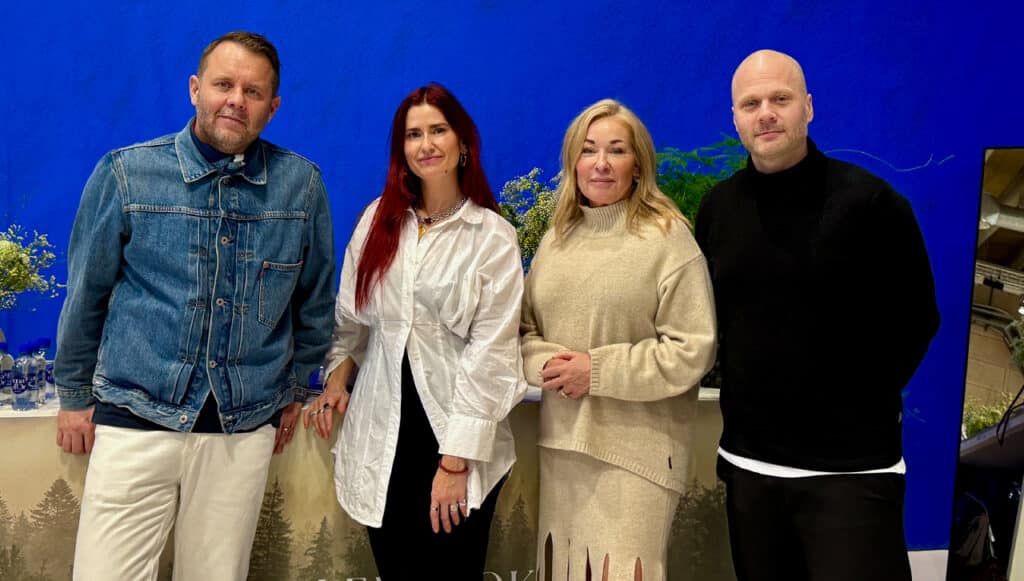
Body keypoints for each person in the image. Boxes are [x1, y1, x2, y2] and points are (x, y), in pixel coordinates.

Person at [54, 31, 335, 580]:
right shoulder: (126, 174)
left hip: (242, 427)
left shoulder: (301, 186)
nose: (236, 101)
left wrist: (297, 388)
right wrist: (73, 394)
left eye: (253, 92)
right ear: (194, 89)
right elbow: (86, 293)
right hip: (134, 417)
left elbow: (316, 300)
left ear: (273, 107)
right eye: (223, 84)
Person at [694, 49, 940, 581]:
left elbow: (918, 318)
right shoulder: (717, 210)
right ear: (735, 118)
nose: (766, 113)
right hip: (750, 467)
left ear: (807, 107)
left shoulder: (872, 204)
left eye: (780, 99)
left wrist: (856, 403)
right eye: (751, 103)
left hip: (851, 473)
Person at [304, 83, 526, 579]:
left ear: (462, 142)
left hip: (454, 438)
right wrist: (336, 380)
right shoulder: (376, 222)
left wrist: (454, 463)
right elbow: (352, 322)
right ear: (401, 148)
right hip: (383, 439)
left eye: (438, 131)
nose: (426, 144)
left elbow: (492, 355)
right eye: (413, 134)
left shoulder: (492, 237)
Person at [521, 99, 717, 581]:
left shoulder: (668, 239)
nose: (601, 163)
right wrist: (549, 366)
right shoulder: (556, 240)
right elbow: (524, 333)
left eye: (616, 150)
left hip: (637, 456)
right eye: (589, 150)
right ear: (573, 162)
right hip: (564, 449)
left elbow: (692, 349)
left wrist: (597, 371)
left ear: (638, 164)